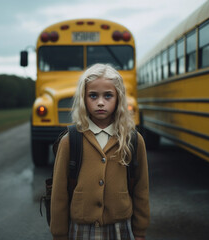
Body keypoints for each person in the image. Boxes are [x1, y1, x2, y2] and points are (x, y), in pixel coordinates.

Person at [50, 63, 150, 240]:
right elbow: (59, 193)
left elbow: (141, 188)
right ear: (83, 98)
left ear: (118, 98)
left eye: (108, 95)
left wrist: (140, 230)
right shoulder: (70, 140)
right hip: (81, 228)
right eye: (93, 96)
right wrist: (59, 233)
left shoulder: (133, 139)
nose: (101, 102)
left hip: (120, 227)